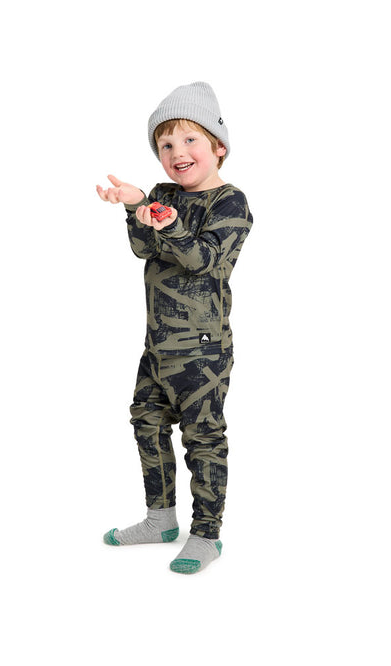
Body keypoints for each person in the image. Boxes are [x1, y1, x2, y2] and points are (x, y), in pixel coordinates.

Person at [96, 82, 252, 574]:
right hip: (157, 345)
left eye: (189, 140)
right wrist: (136, 206)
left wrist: (170, 225)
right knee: (146, 421)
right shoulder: (163, 195)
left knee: (203, 438)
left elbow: (205, 261)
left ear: (218, 146)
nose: (176, 153)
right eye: (165, 145)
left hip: (203, 350)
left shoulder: (230, 202)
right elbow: (144, 248)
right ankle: (160, 519)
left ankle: (206, 534)